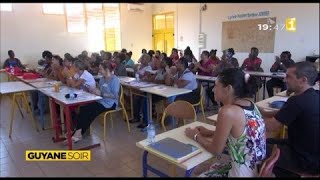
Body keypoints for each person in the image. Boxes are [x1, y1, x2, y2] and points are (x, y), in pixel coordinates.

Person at [185, 68, 266, 177]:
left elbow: (216, 150)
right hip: (253, 170)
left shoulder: (227, 112)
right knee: (200, 169)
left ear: (228, 89)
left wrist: (195, 135)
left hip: (239, 173)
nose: (213, 90)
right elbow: (240, 135)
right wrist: (211, 132)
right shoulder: (251, 104)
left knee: (197, 172)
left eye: (216, 85)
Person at [259, 61, 319, 176]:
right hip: (312, 154)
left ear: (303, 80)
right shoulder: (313, 95)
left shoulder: (297, 101)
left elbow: (271, 127)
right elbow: (284, 113)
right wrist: (260, 111)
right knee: (266, 142)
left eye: (288, 77)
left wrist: (244, 119)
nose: (284, 80)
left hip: (305, 160)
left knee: (255, 147)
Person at [71, 62, 119, 142]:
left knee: (91, 111)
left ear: (107, 70)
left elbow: (115, 96)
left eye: (100, 69)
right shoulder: (102, 79)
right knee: (83, 108)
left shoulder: (115, 80)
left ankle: (78, 133)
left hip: (110, 103)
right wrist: (92, 90)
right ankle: (78, 132)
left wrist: (101, 93)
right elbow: (99, 91)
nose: (99, 71)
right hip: (101, 100)